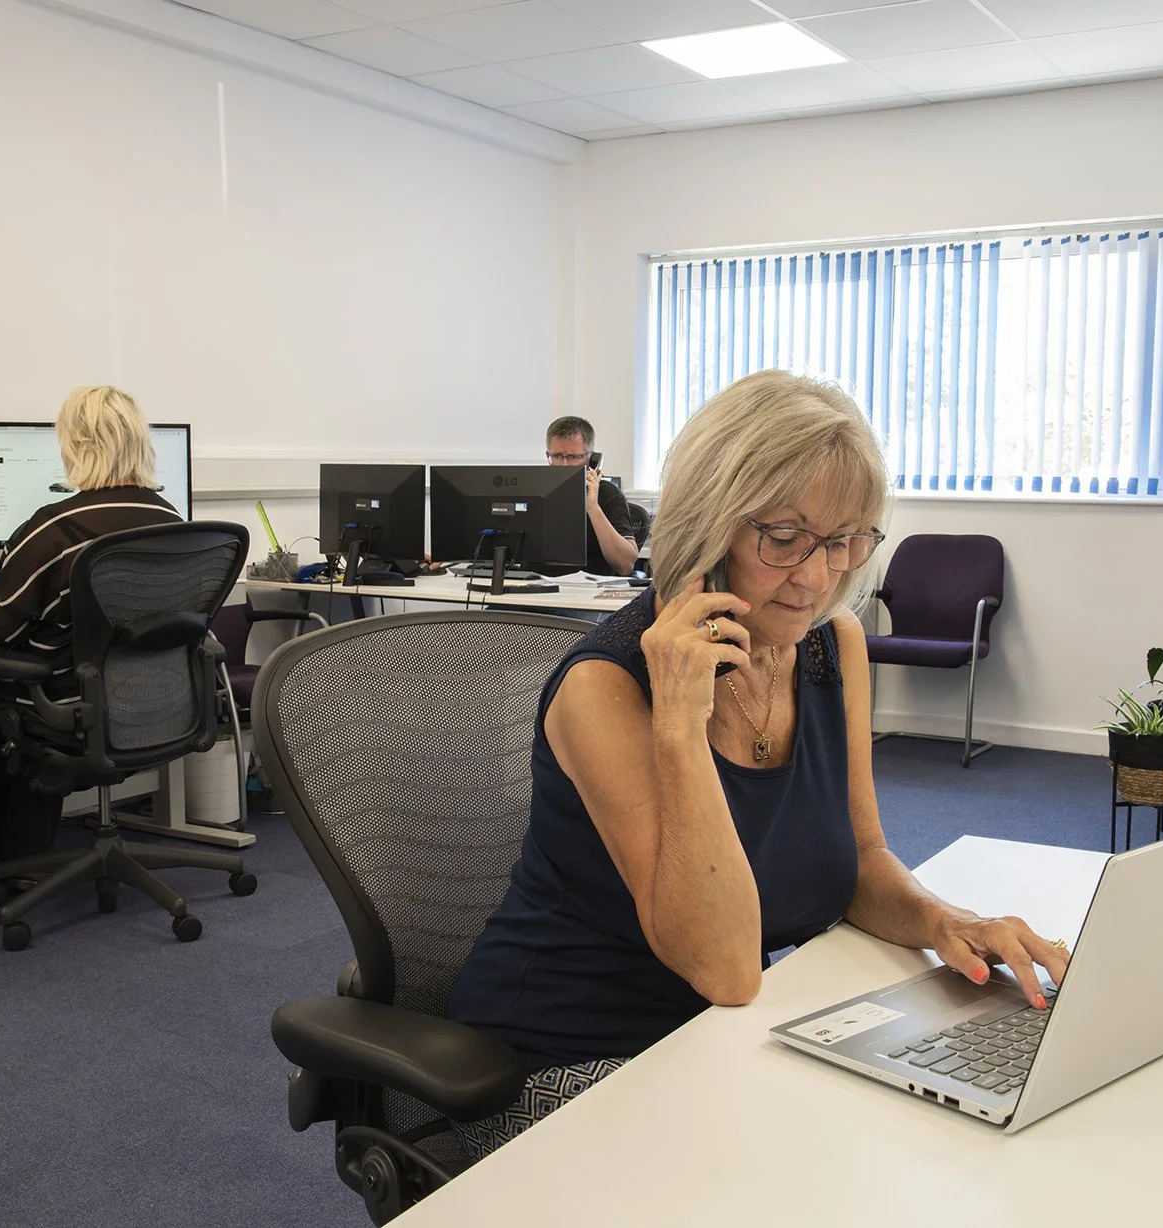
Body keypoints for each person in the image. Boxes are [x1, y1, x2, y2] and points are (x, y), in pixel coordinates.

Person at [449, 370, 1068, 1158]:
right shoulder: (603, 689)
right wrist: (681, 722)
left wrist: (949, 921)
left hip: (721, 1040)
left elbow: (861, 860)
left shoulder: (829, 645)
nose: (818, 577)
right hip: (565, 1062)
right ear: (709, 526)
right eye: (784, 538)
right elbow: (727, 967)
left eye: (846, 540)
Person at [0, 385, 184, 882]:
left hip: (73, 708)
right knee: (27, 690)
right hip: (159, 704)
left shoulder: (54, 527)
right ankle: (24, 853)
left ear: (76, 446)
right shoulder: (171, 521)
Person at [545, 415, 639, 576]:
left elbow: (625, 565)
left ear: (593, 460)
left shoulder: (608, 494)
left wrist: (592, 506)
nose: (564, 464)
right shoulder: (536, 490)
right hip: (535, 588)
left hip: (588, 593)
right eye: (558, 456)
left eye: (573, 457)